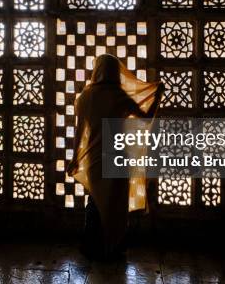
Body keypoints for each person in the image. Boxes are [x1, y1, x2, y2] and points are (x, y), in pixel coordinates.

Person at [66, 54, 164, 260]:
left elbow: (79, 131)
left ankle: (92, 246)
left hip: (94, 159)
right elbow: (145, 120)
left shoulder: (85, 97)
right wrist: (157, 97)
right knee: (116, 205)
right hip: (118, 157)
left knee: (95, 202)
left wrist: (74, 158)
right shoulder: (119, 96)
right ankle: (113, 247)